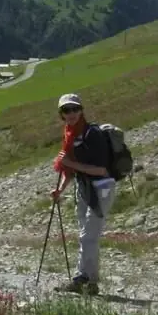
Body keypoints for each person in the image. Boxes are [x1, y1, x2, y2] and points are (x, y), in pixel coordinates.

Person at [50, 93, 116, 295]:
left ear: (81, 110)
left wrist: (70, 164)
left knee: (88, 236)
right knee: (88, 236)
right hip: (84, 188)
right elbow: (70, 171)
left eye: (74, 109)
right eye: (66, 110)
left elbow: (101, 170)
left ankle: (81, 279)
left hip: (101, 187)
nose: (71, 113)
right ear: (61, 114)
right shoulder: (69, 135)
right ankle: (91, 282)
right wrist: (60, 190)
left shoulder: (92, 134)